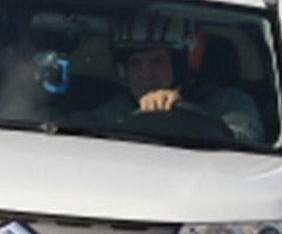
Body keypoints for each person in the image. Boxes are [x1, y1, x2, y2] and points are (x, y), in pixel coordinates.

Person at [92, 14, 265, 145]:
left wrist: (183, 114)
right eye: (135, 64)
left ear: (180, 67)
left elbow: (248, 142)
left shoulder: (230, 103)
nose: (145, 73)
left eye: (157, 62)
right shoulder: (111, 114)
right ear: (123, 70)